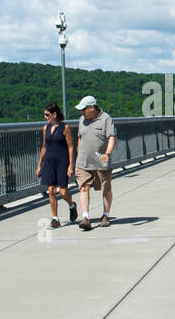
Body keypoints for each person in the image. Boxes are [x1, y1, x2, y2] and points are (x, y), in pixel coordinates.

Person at [74, 95, 116, 230]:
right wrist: (78, 153)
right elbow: (80, 137)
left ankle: (105, 216)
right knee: (83, 187)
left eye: (84, 109)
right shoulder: (82, 119)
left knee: (106, 188)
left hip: (101, 162)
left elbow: (111, 138)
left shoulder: (106, 119)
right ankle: (86, 218)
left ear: (92, 108)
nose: (82, 112)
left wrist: (107, 153)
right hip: (83, 161)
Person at [35, 102, 76, 227]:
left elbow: (70, 147)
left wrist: (70, 165)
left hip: (62, 162)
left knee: (63, 192)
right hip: (49, 162)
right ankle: (55, 218)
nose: (45, 117)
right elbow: (44, 147)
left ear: (54, 114)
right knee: (51, 190)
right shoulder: (45, 128)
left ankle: (72, 205)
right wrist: (39, 165)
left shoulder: (65, 128)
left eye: (47, 114)